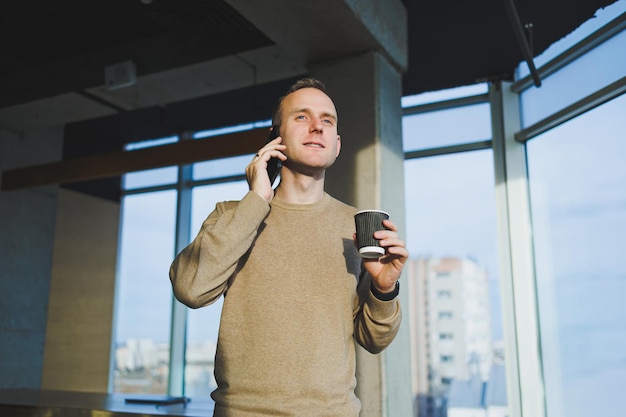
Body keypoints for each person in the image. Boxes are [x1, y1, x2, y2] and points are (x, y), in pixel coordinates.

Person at [169, 77, 408, 416]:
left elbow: (374, 340)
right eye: (301, 117)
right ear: (275, 138)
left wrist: (385, 289)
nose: (317, 127)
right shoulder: (233, 216)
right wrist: (257, 200)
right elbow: (190, 289)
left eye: (327, 120)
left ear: (337, 145)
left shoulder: (356, 225)